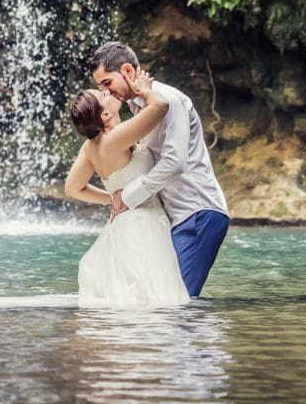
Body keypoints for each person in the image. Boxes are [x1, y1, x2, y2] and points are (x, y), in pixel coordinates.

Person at [88, 42, 229, 297]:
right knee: (162, 297)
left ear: (128, 71)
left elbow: (175, 163)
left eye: (107, 83)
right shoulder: (138, 106)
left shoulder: (170, 101)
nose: (106, 92)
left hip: (197, 212)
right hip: (175, 217)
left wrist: (127, 198)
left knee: (176, 301)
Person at [65, 69, 191, 308]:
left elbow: (72, 188)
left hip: (120, 227)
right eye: (103, 95)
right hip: (143, 226)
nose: (107, 91)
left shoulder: (90, 146)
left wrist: (112, 200)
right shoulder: (116, 137)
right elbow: (160, 106)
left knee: (131, 299)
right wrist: (144, 90)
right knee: (153, 300)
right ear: (104, 114)